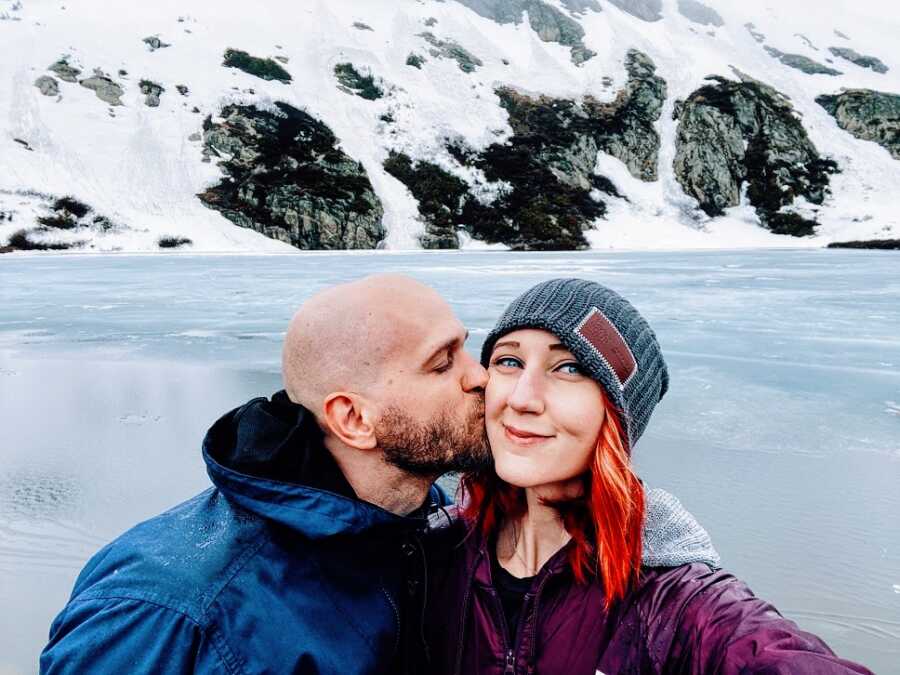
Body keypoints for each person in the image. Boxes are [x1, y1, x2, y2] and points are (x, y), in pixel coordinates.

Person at [40, 274, 493, 674]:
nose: (482, 377)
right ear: (354, 419)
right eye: (442, 362)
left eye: (466, 348)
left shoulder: (422, 527)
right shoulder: (171, 612)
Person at [424, 278, 872, 675]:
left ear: (618, 417)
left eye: (570, 368)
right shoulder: (432, 553)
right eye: (509, 362)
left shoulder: (673, 601)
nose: (523, 398)